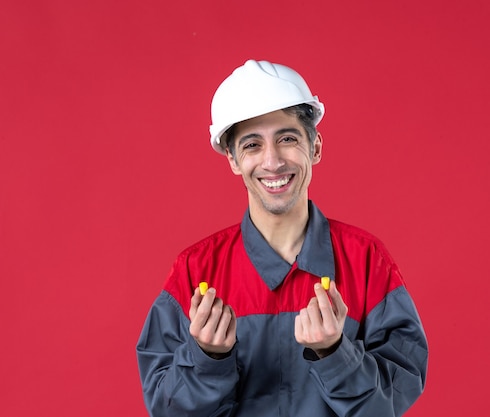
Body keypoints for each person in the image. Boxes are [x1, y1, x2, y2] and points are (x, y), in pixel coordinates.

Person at [136, 59, 428, 417]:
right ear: (232, 159)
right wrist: (207, 358)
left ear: (315, 147)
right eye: (252, 145)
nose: (272, 162)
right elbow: (166, 411)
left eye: (287, 139)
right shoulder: (194, 271)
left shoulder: (367, 261)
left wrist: (335, 354)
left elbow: (389, 405)